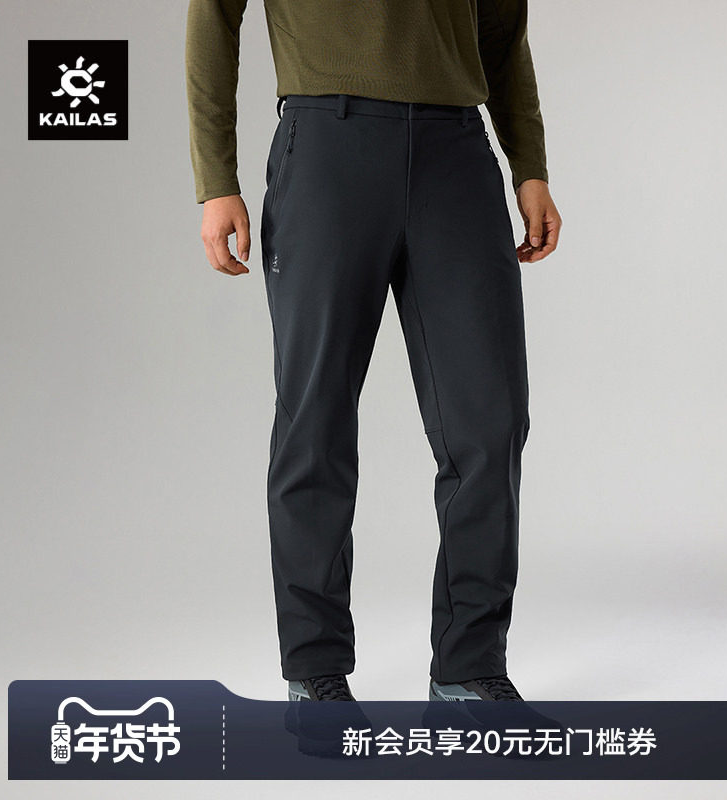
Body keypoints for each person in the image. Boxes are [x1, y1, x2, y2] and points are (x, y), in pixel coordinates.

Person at [185, 0, 562, 703]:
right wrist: (216, 179)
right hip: (327, 145)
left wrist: (529, 164)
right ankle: (314, 669)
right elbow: (212, 16)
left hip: (457, 151)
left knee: (491, 422)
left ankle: (469, 667)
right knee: (316, 421)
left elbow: (503, 34)